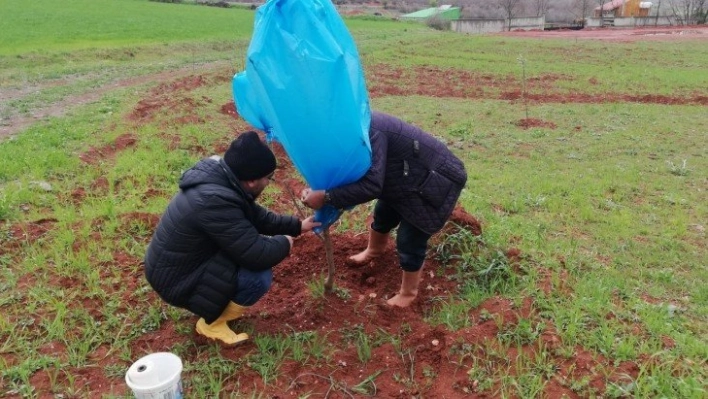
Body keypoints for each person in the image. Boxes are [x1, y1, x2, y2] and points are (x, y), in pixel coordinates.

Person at [144, 131, 320, 345]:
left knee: (240, 252)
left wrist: (297, 226)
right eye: (268, 178)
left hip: (178, 266)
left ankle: (209, 302)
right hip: (176, 281)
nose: (268, 183)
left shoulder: (224, 179)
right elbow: (257, 255)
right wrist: (285, 242)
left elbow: (255, 215)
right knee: (257, 277)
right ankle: (211, 323)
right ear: (253, 180)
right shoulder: (214, 201)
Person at [301, 111, 467, 307]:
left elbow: (372, 185)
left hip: (436, 178)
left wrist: (327, 197)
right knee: (383, 214)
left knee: (409, 239)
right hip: (405, 178)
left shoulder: (372, 131)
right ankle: (375, 249)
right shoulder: (354, 128)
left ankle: (408, 294)